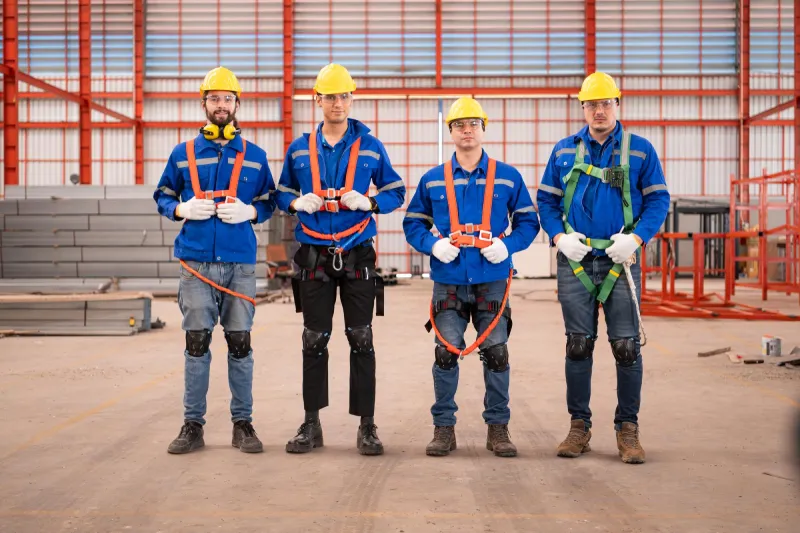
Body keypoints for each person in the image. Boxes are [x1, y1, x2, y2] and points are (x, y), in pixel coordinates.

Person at [536, 72, 670, 464]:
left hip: (621, 259)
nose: (598, 110)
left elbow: (658, 202)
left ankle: (628, 430)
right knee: (578, 346)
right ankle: (579, 427)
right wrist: (561, 239)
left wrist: (637, 238)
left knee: (627, 347)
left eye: (605, 103)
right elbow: (546, 203)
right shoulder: (563, 152)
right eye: (591, 104)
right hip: (576, 261)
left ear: (618, 104)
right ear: (582, 108)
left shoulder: (640, 151)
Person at [275, 63, 405, 456]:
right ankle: (311, 424)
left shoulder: (370, 146)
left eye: (343, 95)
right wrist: (296, 201)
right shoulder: (299, 149)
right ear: (317, 100)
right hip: (313, 255)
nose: (337, 102)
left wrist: (371, 202)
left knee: (361, 338)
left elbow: (396, 190)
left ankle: (366, 426)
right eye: (329, 96)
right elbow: (280, 193)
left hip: (358, 254)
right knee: (314, 339)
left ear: (352, 98)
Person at [403, 97, 539, 457]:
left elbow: (528, 221)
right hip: (448, 278)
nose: (467, 130)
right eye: (459, 124)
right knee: (445, 354)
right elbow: (413, 222)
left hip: (492, 277)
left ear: (483, 128)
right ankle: (444, 429)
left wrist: (507, 246)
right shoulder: (432, 180)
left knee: (496, 353)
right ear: (450, 131)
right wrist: (432, 246)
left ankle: (498, 429)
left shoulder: (508, 177)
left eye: (473, 123)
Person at [154, 66, 276, 454]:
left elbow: (271, 200)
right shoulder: (182, 153)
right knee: (196, 343)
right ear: (203, 104)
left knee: (240, 342)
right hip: (196, 265)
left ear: (237, 105)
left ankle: (243, 424)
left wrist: (252, 213)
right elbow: (163, 195)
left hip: (239, 265)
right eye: (214, 99)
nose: (221, 105)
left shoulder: (255, 157)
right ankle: (193, 425)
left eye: (227, 99)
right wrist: (180, 209)